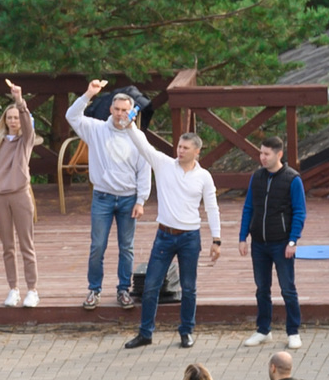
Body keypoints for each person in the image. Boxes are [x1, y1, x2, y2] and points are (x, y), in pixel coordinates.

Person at [125, 132, 222, 350]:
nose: (180, 151)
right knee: (150, 285)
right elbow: (144, 145)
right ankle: (145, 332)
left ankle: (186, 331)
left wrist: (217, 239)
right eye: (179, 146)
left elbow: (212, 208)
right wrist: (129, 123)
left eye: (186, 148)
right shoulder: (164, 164)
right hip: (165, 235)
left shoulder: (204, 176)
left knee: (189, 287)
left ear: (197, 151)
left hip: (190, 237)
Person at [66, 79, 153, 310]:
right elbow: (72, 116)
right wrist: (88, 94)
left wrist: (141, 201)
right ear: (110, 110)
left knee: (127, 247)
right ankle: (94, 290)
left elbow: (145, 170)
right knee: (98, 246)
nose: (121, 114)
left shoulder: (138, 137)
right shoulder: (96, 129)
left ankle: (124, 289)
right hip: (103, 197)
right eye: (117, 109)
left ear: (132, 112)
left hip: (128, 199)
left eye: (125, 110)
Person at [239, 135, 306, 350]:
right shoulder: (256, 177)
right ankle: (263, 330)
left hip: (282, 243)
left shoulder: (292, 179)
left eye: (266, 154)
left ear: (279, 154)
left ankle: (293, 331)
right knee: (262, 288)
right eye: (261, 153)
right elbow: (248, 207)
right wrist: (243, 237)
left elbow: (299, 212)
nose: (262, 157)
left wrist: (293, 241)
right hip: (259, 243)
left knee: (288, 288)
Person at [0, 81, 41, 307]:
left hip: (20, 194)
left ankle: (32, 290)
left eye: (16, 117)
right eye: (9, 117)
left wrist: (19, 101)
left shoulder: (25, 141)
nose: (13, 121)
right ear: (4, 121)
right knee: (7, 246)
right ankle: (13, 288)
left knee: (26, 244)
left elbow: (28, 123)